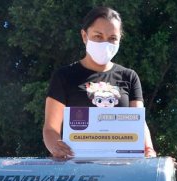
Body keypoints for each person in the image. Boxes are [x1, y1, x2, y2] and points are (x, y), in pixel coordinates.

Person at [43, 6, 156, 159]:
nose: (105, 43)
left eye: (112, 38)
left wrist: (149, 150)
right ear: (84, 36)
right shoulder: (64, 76)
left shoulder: (129, 76)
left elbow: (139, 123)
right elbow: (50, 129)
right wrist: (56, 148)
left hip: (121, 170)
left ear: (119, 40)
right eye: (98, 36)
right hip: (77, 171)